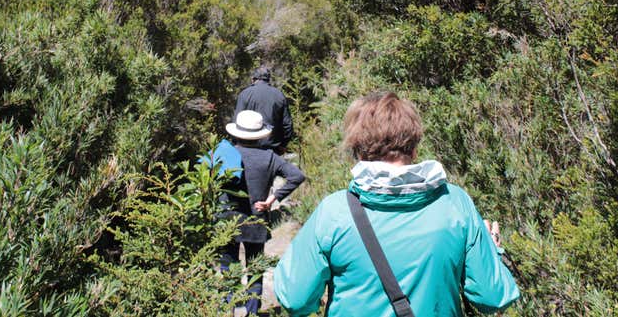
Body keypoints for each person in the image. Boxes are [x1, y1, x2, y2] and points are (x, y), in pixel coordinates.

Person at [273, 92, 520, 316]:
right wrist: (492, 251)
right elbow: (493, 298)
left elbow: (296, 299)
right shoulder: (455, 203)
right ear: (413, 148)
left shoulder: (334, 211)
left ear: (359, 150)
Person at [219, 110, 306, 315]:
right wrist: (272, 199)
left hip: (227, 219)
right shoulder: (269, 157)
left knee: (229, 267)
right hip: (256, 220)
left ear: (237, 132)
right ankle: (252, 311)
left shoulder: (225, 153)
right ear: (260, 134)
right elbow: (297, 176)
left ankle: (229, 308)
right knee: (256, 268)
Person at [234, 67, 294, 153]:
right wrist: (283, 144)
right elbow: (287, 125)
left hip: (247, 148)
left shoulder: (244, 94)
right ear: (268, 79)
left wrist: (235, 142)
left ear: (253, 79)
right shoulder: (279, 95)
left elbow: (236, 121)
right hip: (272, 150)